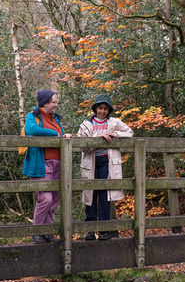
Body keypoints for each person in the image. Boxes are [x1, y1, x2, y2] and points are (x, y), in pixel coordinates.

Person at [77, 93, 133, 241]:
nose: (102, 111)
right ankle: (90, 230)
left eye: (105, 109)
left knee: (105, 195)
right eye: (100, 108)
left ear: (108, 110)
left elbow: (130, 133)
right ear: (95, 108)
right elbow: (82, 145)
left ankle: (104, 230)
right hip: (91, 162)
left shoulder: (114, 122)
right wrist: (98, 139)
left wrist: (115, 134)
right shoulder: (86, 124)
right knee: (90, 195)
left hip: (107, 163)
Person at [22, 89, 71, 244]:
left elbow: (59, 135)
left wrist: (64, 136)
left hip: (58, 163)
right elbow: (31, 130)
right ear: (45, 103)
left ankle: (48, 232)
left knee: (55, 199)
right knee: (45, 199)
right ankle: (37, 231)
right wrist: (54, 134)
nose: (56, 105)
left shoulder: (56, 118)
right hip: (40, 163)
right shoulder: (33, 116)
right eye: (53, 102)